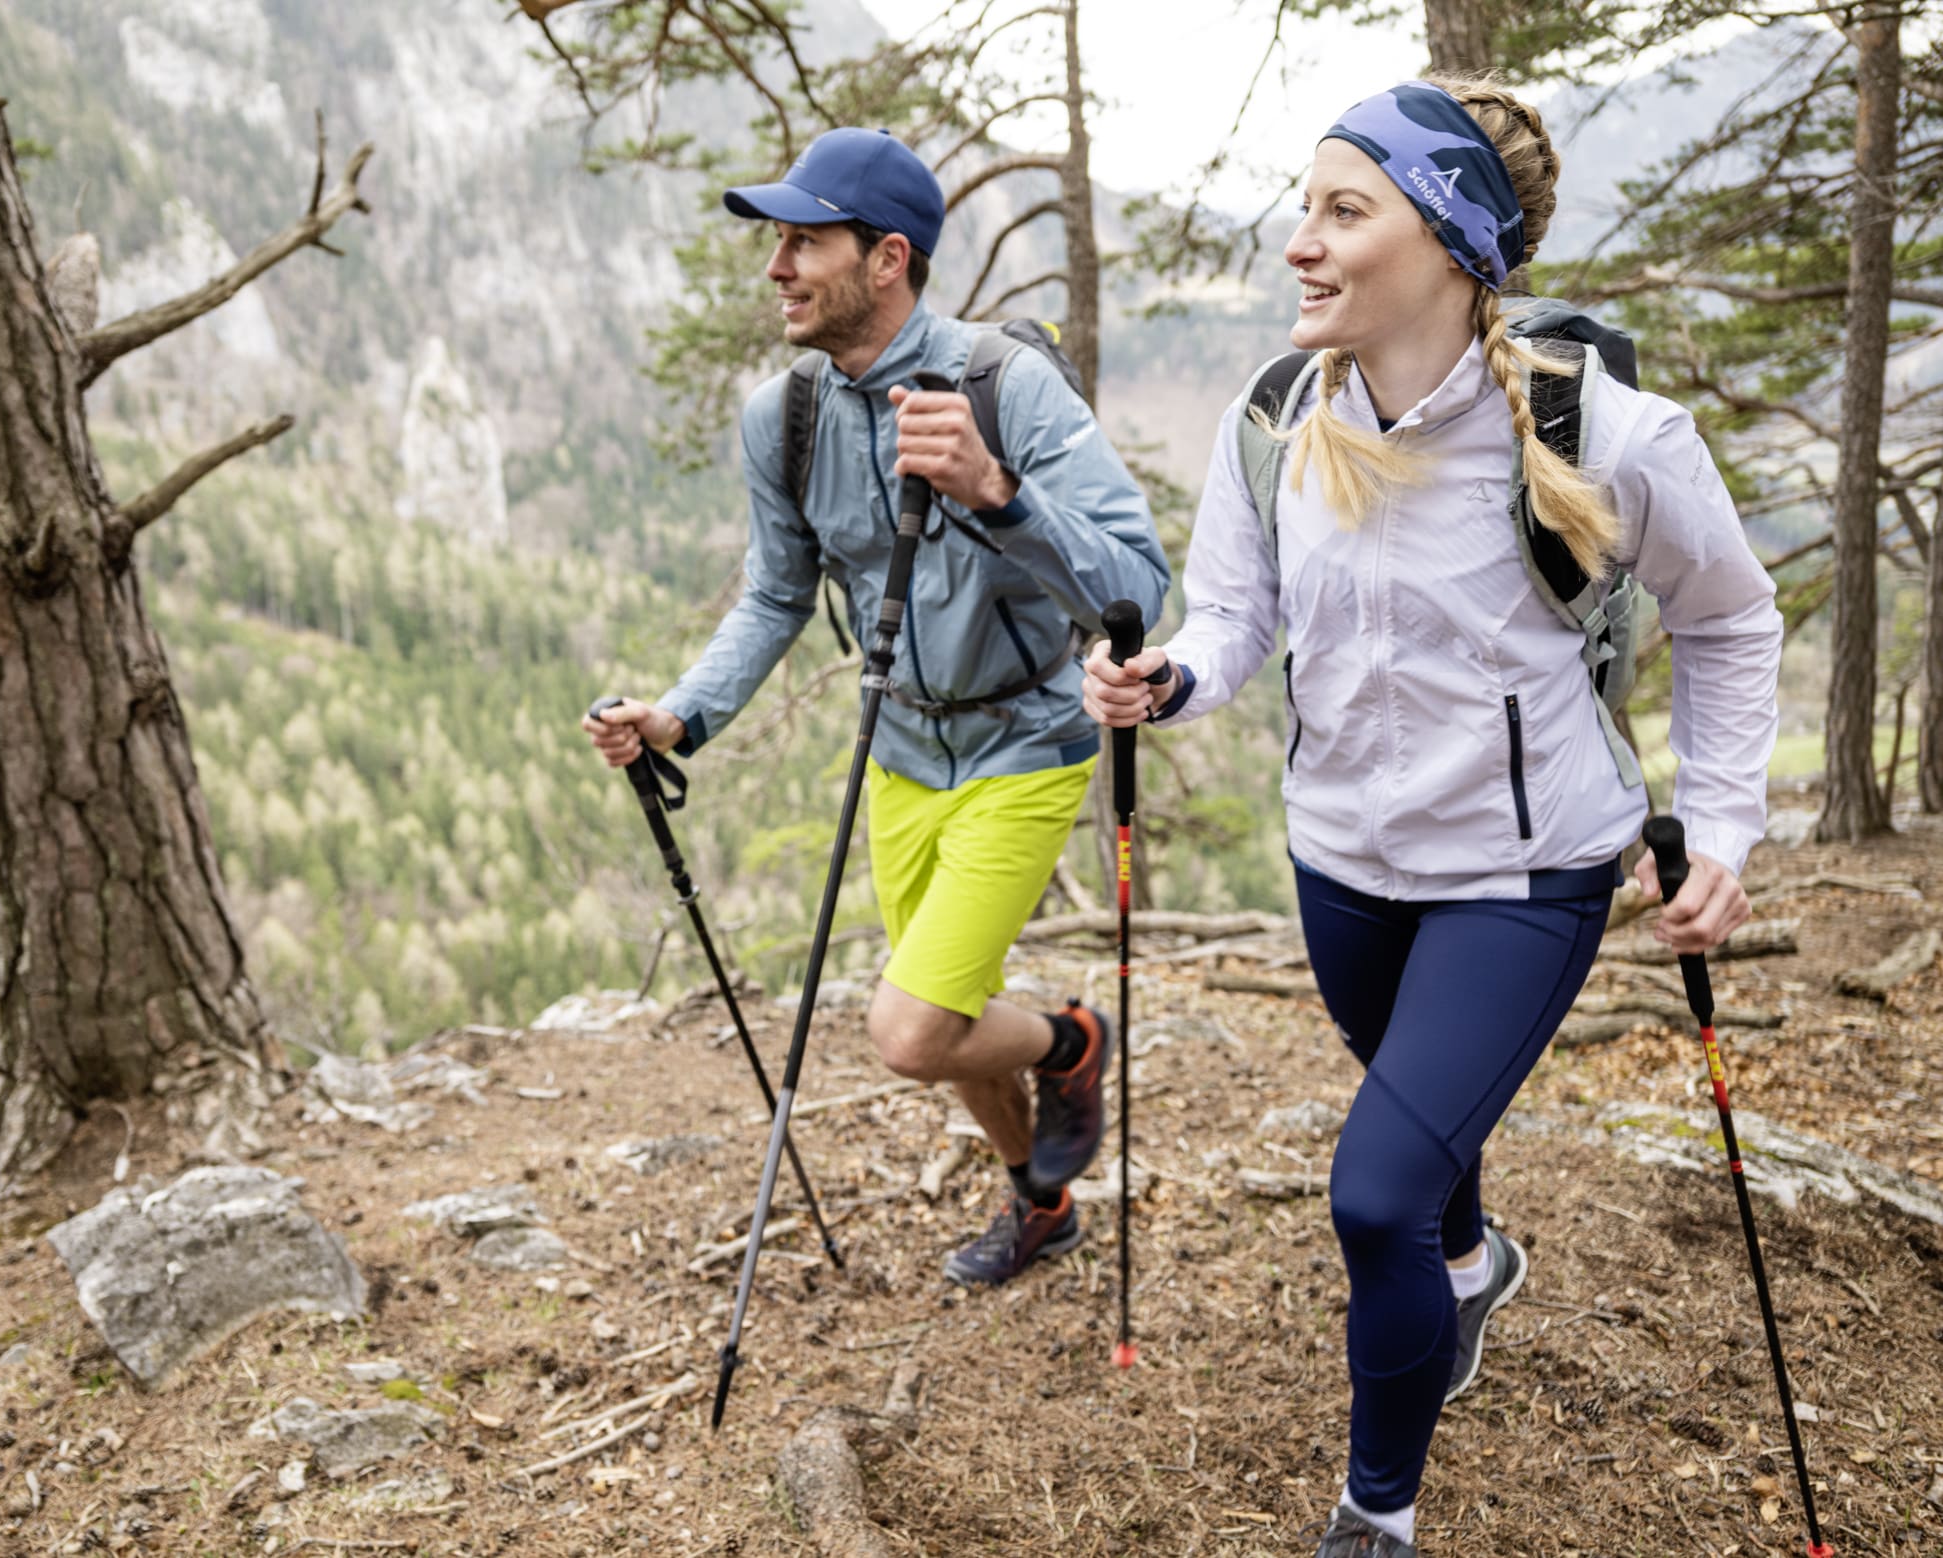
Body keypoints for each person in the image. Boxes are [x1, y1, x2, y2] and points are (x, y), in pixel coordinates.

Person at [1082, 79, 1780, 1557]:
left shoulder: (1606, 434)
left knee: (1372, 1191)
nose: (1300, 244)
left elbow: (1724, 616)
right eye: (1306, 207)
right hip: (1338, 864)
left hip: (1519, 877)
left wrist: (1717, 827)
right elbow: (1233, 610)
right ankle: (1468, 1267)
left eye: (1345, 211)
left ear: (1450, 239)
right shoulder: (1275, 418)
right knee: (1426, 1152)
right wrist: (1170, 675)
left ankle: (1374, 1513)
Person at [586, 127, 1171, 1289]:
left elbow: (1135, 588)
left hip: (1026, 742)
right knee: (948, 1027)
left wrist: (995, 492)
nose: (776, 267)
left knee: (910, 1028)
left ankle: (1068, 1042)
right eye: (777, 243)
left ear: (887, 257)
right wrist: (681, 715)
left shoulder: (1007, 386)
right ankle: (1038, 1201)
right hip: (902, 749)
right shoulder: (785, 419)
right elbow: (774, 594)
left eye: (804, 242)